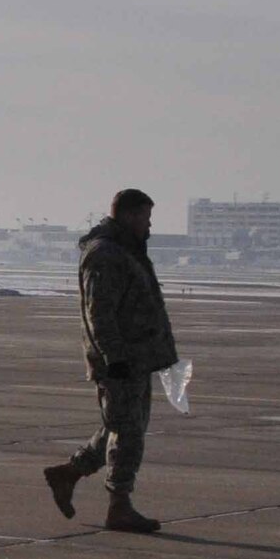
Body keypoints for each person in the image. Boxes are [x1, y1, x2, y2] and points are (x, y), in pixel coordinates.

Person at [43, 189, 179, 533]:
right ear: (130, 216)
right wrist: (114, 357)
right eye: (146, 218)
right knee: (127, 432)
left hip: (136, 358)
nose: (150, 226)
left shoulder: (125, 250)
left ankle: (69, 473)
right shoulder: (105, 254)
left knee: (121, 425)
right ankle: (119, 505)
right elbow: (98, 313)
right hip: (120, 361)